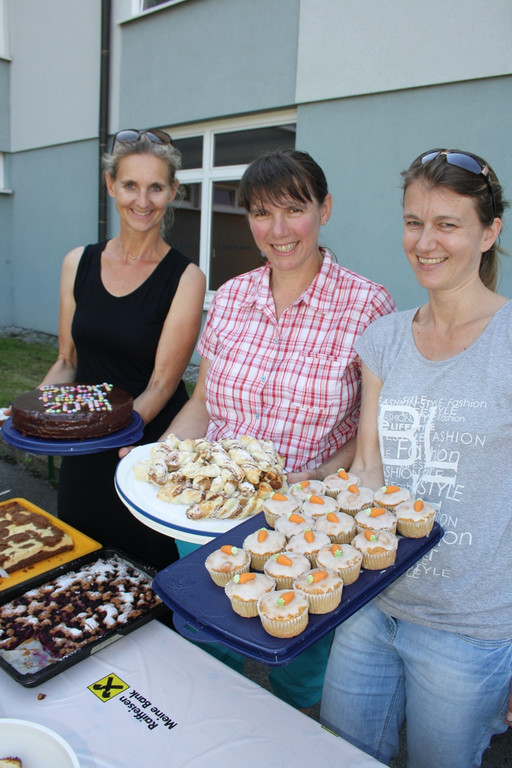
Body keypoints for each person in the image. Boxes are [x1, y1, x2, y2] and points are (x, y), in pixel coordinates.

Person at [161, 148, 396, 708]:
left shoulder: (369, 305)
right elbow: (204, 403)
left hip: (305, 522)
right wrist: (162, 456)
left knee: (298, 658)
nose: (279, 230)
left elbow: (372, 427)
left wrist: (321, 474)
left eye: (294, 209)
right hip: (213, 510)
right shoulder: (232, 297)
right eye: (262, 213)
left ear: (325, 209)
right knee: (206, 645)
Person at [320, 148, 512, 768]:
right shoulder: (384, 339)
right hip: (370, 604)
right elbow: (368, 471)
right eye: (413, 222)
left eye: (447, 225)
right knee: (340, 756)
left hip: (470, 630)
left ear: (489, 232)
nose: (425, 243)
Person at [40, 128, 205, 571]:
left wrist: (105, 432)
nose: (142, 201)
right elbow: (67, 361)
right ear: (111, 185)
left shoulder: (186, 278)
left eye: (156, 187)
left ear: (173, 191)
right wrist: (32, 417)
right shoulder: (77, 263)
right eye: (131, 185)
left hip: (145, 453)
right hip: (83, 451)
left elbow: (162, 384)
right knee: (77, 569)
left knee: (145, 579)